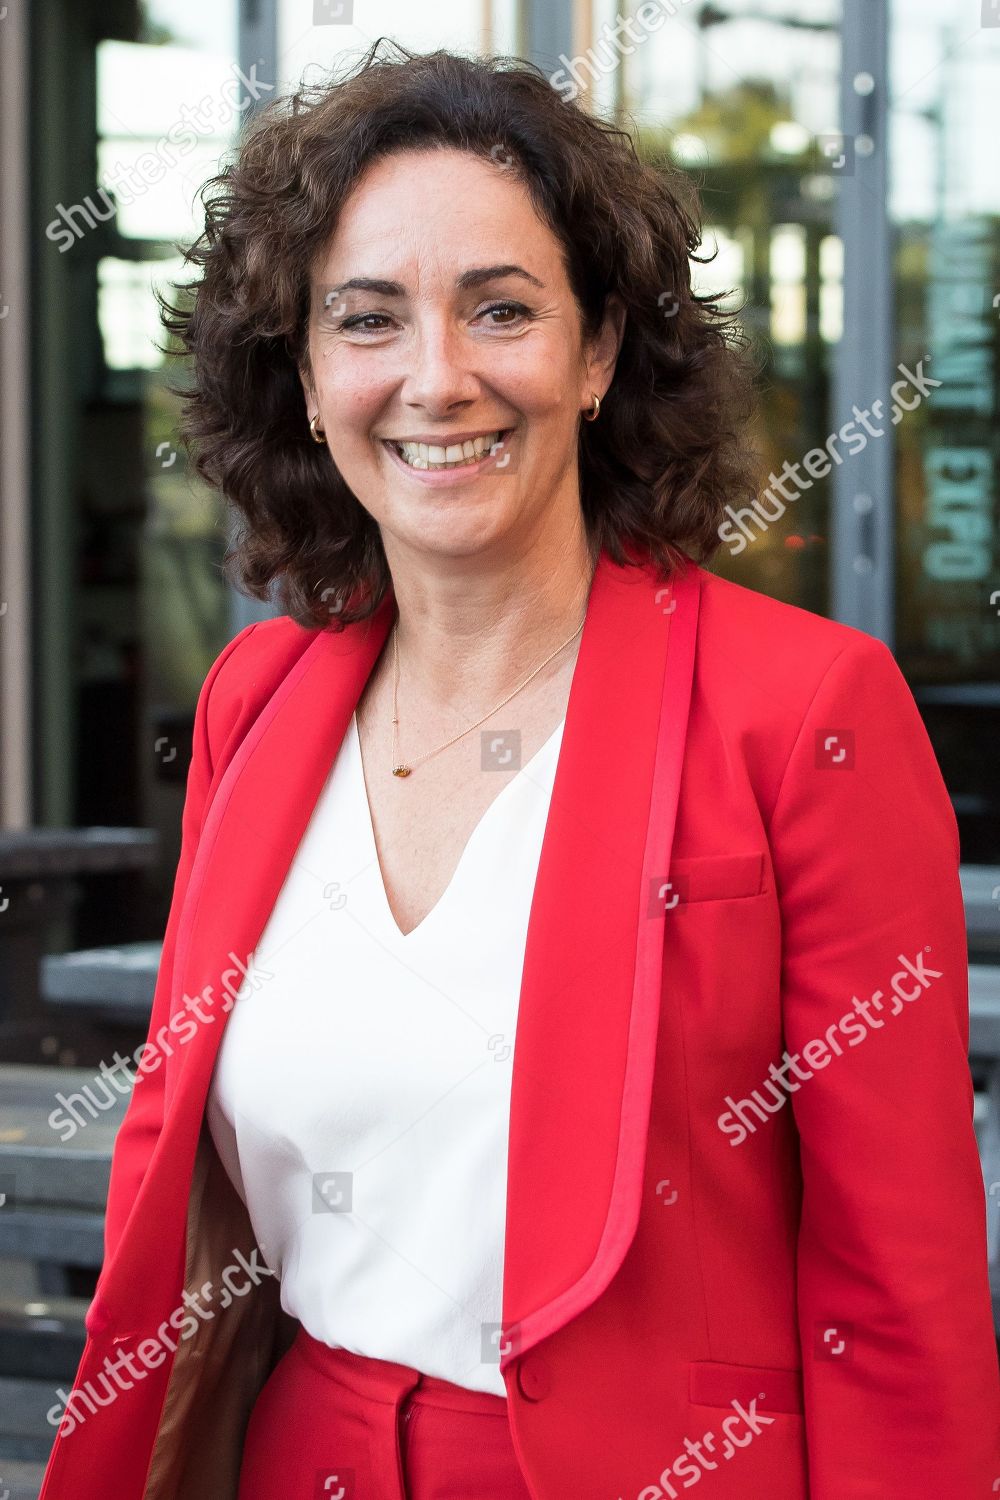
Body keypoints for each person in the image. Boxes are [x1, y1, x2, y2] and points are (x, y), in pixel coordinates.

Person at [39, 39, 998, 1500]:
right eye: (367, 320)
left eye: (502, 309)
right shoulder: (261, 698)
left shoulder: (804, 710)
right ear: (302, 377)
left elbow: (897, 1286)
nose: (439, 378)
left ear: (600, 349)